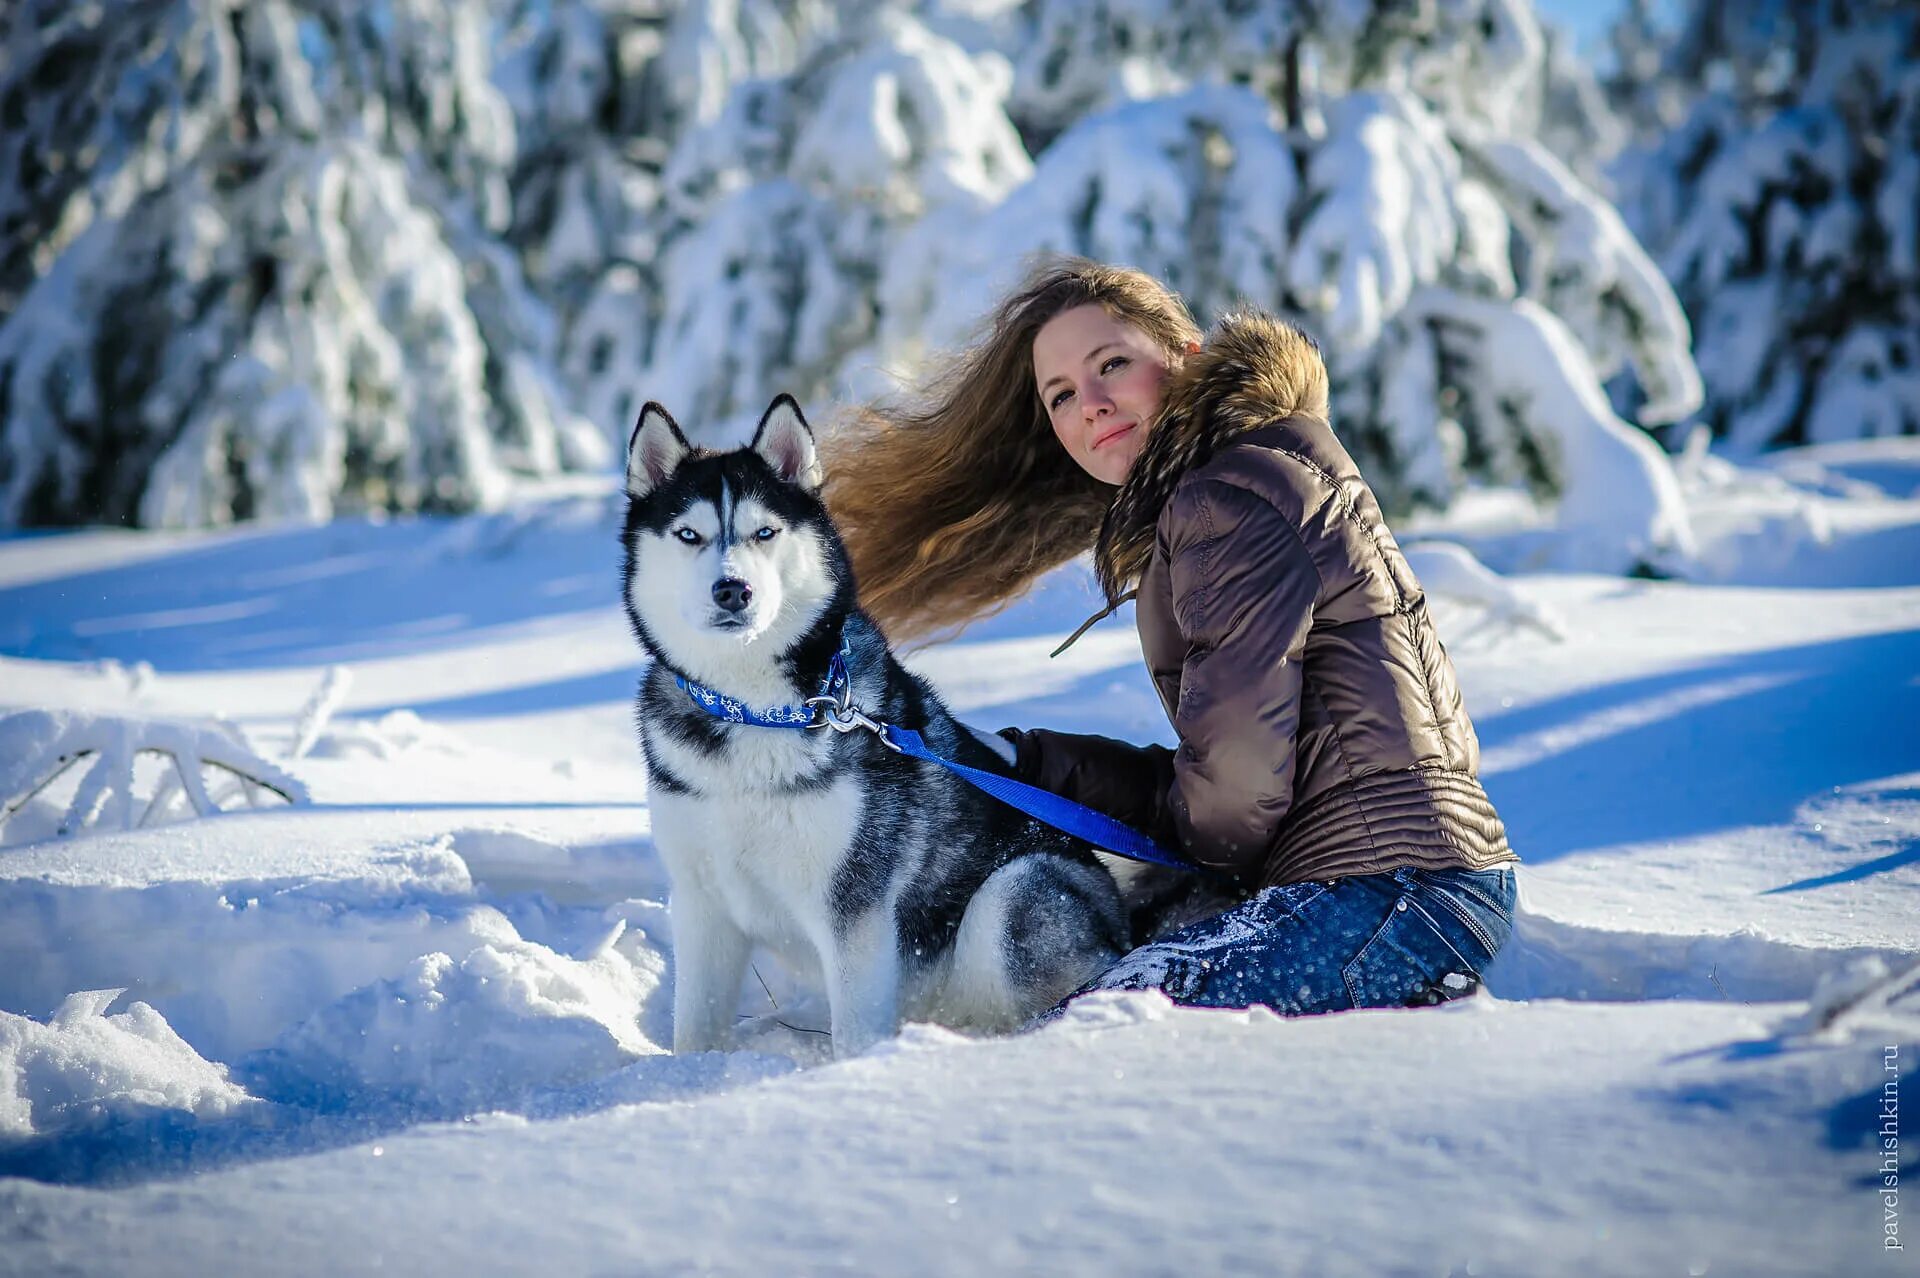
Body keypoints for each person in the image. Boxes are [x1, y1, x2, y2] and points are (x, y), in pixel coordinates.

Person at [824, 257, 1517, 1015]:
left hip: (1383, 890)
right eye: (1060, 396)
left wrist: (1179, 844)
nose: (1089, 404)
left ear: (1185, 357)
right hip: (1411, 883)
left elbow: (1236, 795)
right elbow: (1231, 774)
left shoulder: (1225, 497)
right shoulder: (1261, 468)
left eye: (1111, 364)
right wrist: (1029, 765)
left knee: (1111, 1022)